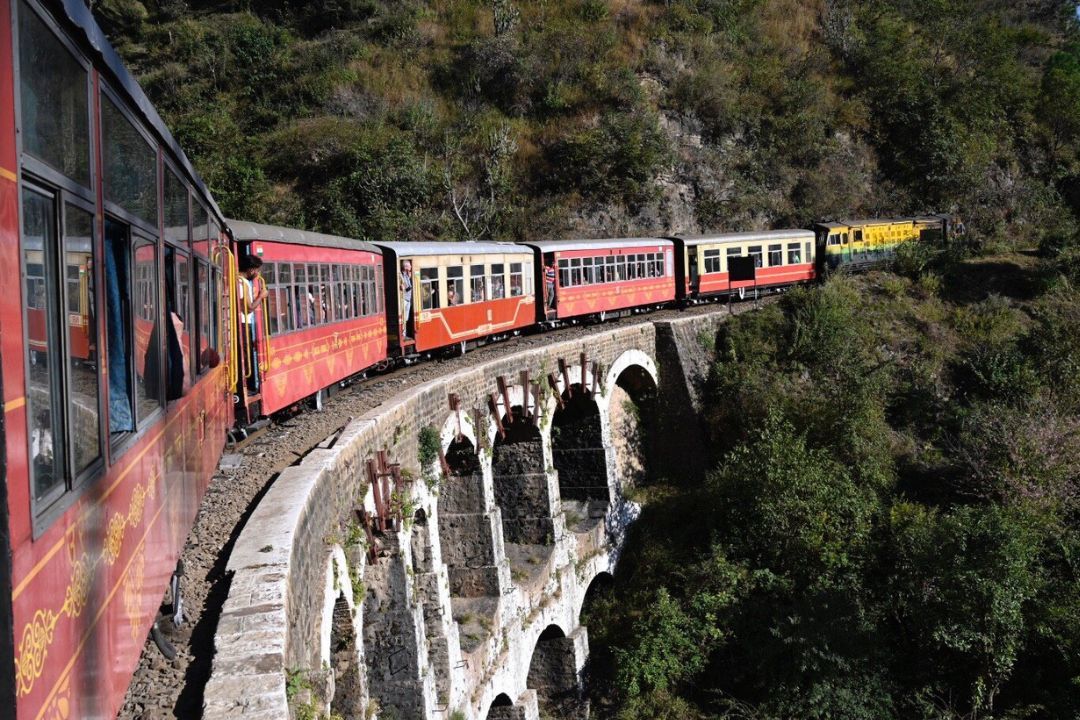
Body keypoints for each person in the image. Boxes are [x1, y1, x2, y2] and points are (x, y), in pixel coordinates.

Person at [238, 254, 266, 393]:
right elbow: (248, 308)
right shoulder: (242, 283)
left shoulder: (237, 281)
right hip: (243, 324)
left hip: (241, 324)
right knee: (245, 354)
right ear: (251, 270)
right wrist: (261, 296)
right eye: (257, 270)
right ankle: (246, 387)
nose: (258, 274)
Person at [400, 259, 414, 340]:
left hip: (408, 299)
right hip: (405, 299)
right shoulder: (402, 275)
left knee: (407, 318)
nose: (411, 267)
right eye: (409, 265)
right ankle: (403, 334)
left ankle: (404, 332)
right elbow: (405, 287)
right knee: (404, 317)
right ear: (405, 267)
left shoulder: (406, 275)